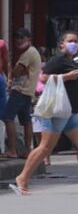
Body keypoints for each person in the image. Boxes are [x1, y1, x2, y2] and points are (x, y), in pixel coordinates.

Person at [9, 31, 78, 196]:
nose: (74, 44)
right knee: (45, 147)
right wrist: (65, 77)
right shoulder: (57, 60)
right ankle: (22, 178)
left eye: (76, 41)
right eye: (70, 41)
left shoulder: (72, 61)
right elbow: (42, 78)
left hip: (71, 112)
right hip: (58, 111)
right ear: (61, 44)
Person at [3, 28, 41, 159]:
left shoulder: (28, 53)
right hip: (27, 91)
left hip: (20, 90)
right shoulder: (32, 52)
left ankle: (13, 150)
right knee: (26, 121)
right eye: (17, 38)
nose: (19, 40)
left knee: (8, 117)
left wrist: (12, 72)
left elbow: (16, 71)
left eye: (22, 38)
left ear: (29, 39)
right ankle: (27, 150)